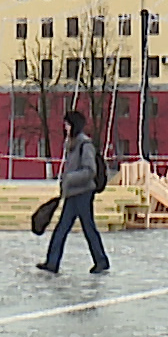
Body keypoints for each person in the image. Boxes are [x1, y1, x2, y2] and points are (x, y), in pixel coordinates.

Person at [37, 110, 109, 275]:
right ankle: (53, 262)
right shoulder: (72, 144)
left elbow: (90, 170)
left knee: (86, 228)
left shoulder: (85, 145)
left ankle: (100, 261)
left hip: (83, 193)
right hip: (73, 193)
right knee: (63, 228)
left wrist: (69, 178)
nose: (65, 127)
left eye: (67, 124)